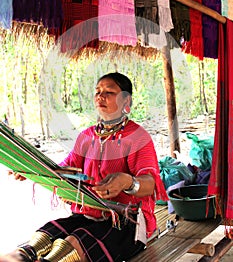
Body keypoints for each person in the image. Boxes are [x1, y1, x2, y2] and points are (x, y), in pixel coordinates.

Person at [0, 72, 167, 262]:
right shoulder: (87, 136)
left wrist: (127, 182)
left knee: (71, 246)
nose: (100, 96)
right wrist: (31, 170)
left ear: (125, 99)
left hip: (127, 223)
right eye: (98, 92)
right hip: (87, 215)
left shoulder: (137, 138)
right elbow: (65, 169)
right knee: (38, 242)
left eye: (109, 92)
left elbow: (150, 184)